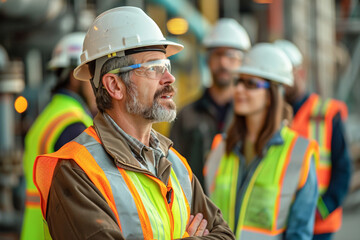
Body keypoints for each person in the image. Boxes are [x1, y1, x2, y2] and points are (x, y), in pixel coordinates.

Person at [32, 6, 234, 240]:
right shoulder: (76, 171)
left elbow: (225, 235)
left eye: (166, 66)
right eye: (153, 68)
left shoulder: (174, 163)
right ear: (114, 86)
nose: (169, 78)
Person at [204, 43, 319, 239]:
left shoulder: (298, 153)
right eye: (238, 81)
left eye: (251, 84)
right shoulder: (221, 148)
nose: (239, 89)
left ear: (271, 95)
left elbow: (299, 232)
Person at [274, 39, 352, 240]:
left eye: (287, 73)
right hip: (278, 221)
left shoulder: (326, 113)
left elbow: (343, 168)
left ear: (300, 73)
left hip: (319, 225)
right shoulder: (271, 115)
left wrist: (322, 209)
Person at [21, 32, 94, 240]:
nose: (97, 86)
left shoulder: (50, 116)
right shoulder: (73, 125)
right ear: (75, 76)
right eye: (92, 76)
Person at [170, 18, 251, 188]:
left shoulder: (250, 114)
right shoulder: (186, 116)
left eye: (230, 56)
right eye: (217, 55)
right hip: (197, 209)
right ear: (207, 59)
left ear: (242, 62)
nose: (223, 63)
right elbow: (173, 169)